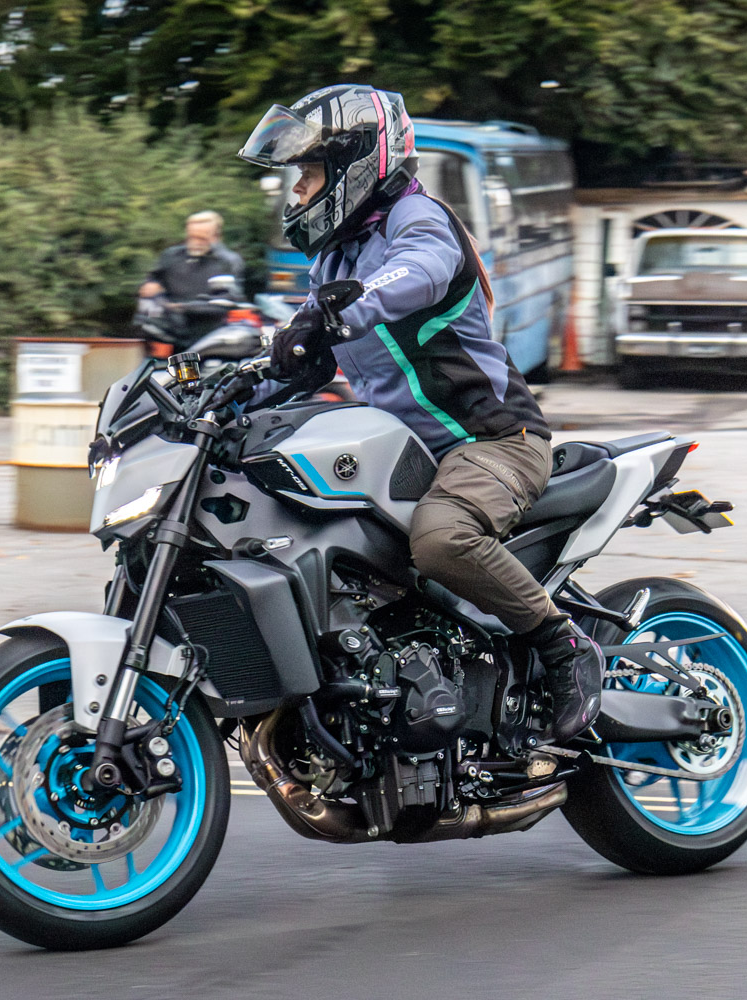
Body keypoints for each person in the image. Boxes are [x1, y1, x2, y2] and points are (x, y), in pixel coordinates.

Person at [237, 84, 601, 742]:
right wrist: (218, 402)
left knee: (441, 539)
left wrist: (336, 312)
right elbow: (299, 359)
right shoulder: (335, 259)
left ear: (353, 167)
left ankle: (563, 644)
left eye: (308, 174)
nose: (297, 192)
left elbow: (419, 271)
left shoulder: (419, 220)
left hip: (492, 440)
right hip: (410, 454)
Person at [139, 210, 247, 303]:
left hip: (212, 318)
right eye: (191, 237)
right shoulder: (171, 255)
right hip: (172, 317)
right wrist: (151, 285)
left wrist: (186, 307)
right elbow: (153, 279)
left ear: (216, 237)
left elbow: (230, 298)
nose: (195, 243)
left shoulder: (229, 261)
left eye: (201, 238)